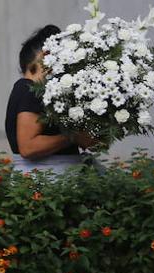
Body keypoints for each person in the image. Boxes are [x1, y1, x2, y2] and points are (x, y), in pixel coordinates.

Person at [5, 24, 96, 174]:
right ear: (46, 55)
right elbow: (28, 147)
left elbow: (91, 143)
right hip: (46, 183)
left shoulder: (45, 93)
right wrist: (72, 136)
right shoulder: (29, 89)